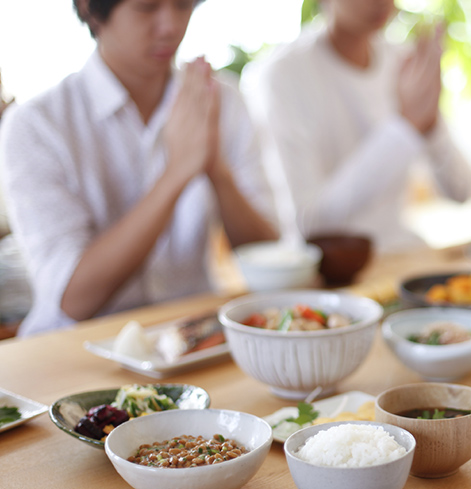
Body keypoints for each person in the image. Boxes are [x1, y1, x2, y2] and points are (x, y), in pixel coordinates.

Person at [0, 0, 277, 336]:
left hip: (192, 338)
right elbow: (74, 299)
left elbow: (273, 258)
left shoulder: (220, 100)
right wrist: (176, 174)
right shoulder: (36, 124)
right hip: (75, 348)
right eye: (147, 7)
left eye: (183, 5)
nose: (171, 26)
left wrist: (217, 171)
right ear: (91, 9)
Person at [245, 0, 471, 254]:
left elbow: (462, 191)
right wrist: (404, 127)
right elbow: (309, 225)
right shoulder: (281, 76)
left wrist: (431, 127)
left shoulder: (400, 61)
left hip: (397, 256)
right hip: (328, 273)